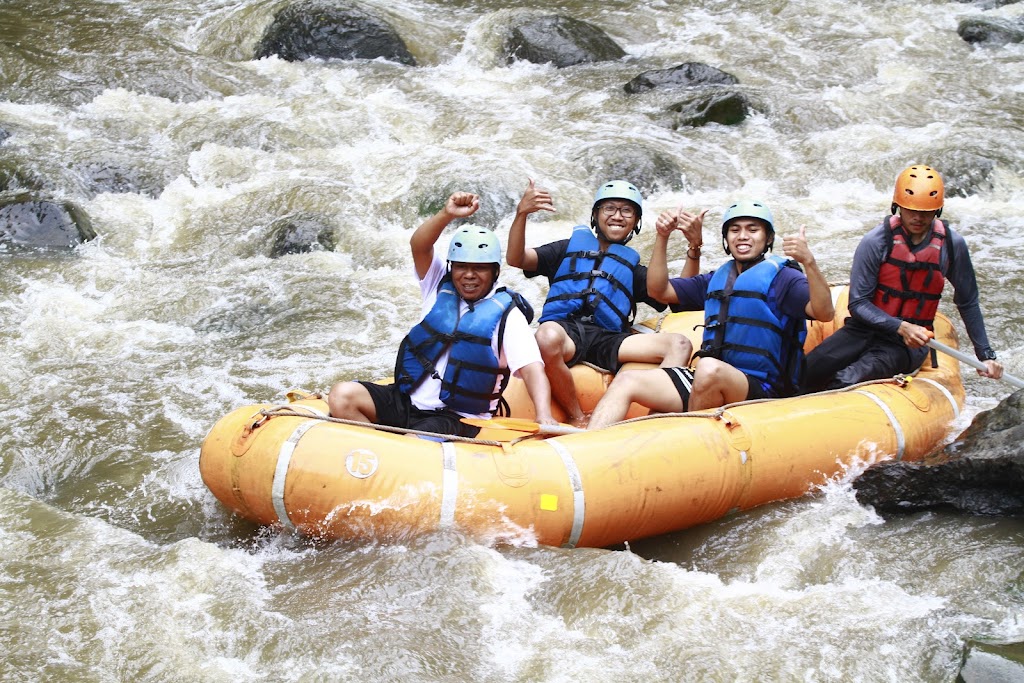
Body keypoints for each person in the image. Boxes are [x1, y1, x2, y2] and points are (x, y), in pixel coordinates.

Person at [588, 199, 834, 429]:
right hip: (710, 380)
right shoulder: (717, 279)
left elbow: (824, 312)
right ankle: (589, 446)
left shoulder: (784, 278)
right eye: (735, 230)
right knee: (628, 380)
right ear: (726, 239)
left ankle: (686, 438)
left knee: (708, 369)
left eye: (753, 229)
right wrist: (662, 237)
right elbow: (659, 290)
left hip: (766, 389)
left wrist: (808, 262)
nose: (743, 236)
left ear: (768, 238)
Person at [327, 191, 556, 437]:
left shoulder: (508, 317)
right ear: (451, 268)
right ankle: (378, 457)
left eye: (479, 268)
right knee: (341, 396)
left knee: (413, 443)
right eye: (461, 267)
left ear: (495, 273)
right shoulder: (436, 284)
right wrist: (446, 214)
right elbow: (419, 246)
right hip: (407, 401)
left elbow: (533, 370)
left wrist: (544, 415)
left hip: (457, 418)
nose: (469, 275)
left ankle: (395, 452)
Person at [506, 178, 694, 426]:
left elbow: (680, 296)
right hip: (567, 332)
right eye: (610, 208)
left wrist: (693, 246)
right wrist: (522, 214)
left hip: (609, 339)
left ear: (636, 223)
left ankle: (654, 419)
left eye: (627, 211)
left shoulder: (634, 271)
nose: (618, 216)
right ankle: (576, 416)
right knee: (546, 335)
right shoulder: (566, 249)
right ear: (596, 215)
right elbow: (516, 258)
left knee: (679, 344)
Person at [802, 164, 1003, 391]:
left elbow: (967, 301)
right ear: (897, 206)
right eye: (911, 210)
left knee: (845, 379)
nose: (918, 217)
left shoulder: (951, 245)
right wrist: (899, 326)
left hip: (909, 344)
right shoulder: (876, 241)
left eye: (925, 211)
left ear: (937, 210)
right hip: (863, 330)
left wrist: (986, 354)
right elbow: (858, 303)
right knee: (806, 371)